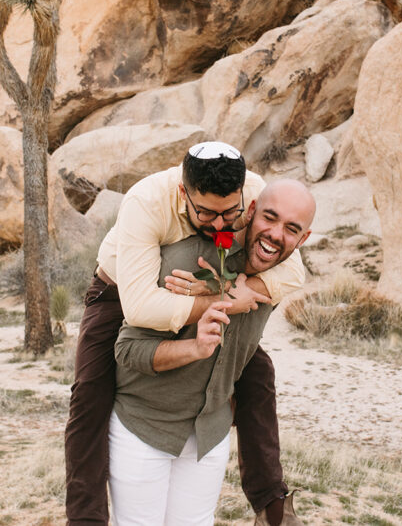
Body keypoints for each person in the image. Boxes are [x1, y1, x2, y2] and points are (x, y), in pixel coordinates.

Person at [64, 143, 306, 524]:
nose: (221, 225)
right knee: (89, 392)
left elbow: (294, 271)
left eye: (231, 213)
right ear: (184, 193)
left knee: (258, 375)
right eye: (207, 213)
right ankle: (85, 519)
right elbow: (140, 306)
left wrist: (231, 292)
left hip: (197, 282)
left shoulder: (259, 194)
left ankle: (271, 505)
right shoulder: (146, 201)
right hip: (120, 289)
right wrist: (224, 300)